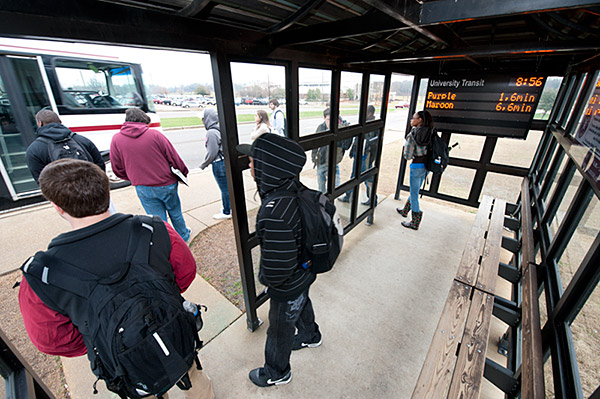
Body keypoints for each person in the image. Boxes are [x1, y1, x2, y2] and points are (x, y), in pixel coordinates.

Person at [18, 159, 214, 399]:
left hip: (124, 364)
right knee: (194, 378)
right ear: (106, 192)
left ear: (58, 206)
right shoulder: (154, 229)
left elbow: (52, 340)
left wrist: (100, 335)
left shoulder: (42, 275)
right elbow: (186, 271)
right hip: (174, 334)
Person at [237, 134, 322, 388]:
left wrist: (269, 284)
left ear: (269, 167)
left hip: (289, 283)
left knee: (280, 328)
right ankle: (310, 334)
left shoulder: (275, 211)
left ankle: (277, 371)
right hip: (306, 271)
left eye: (253, 160)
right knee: (301, 300)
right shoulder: (296, 189)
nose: (249, 165)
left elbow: (278, 269)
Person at [110, 108, 192, 242]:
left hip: (142, 186)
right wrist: (183, 173)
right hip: (166, 183)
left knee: (157, 219)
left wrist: (132, 178)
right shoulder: (155, 135)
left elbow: (116, 167)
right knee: (175, 212)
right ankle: (183, 236)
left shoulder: (117, 139)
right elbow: (173, 157)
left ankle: (166, 243)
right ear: (144, 121)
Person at [25, 109, 104, 182]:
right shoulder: (82, 140)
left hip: (63, 195)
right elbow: (100, 165)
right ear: (60, 121)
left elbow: (41, 180)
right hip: (92, 191)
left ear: (40, 123)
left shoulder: (34, 150)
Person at [396, 110, 434, 230]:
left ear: (420, 120)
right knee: (415, 190)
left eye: (414, 118)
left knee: (414, 194)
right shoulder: (430, 132)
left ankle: (415, 220)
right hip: (427, 166)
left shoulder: (412, 135)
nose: (411, 120)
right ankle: (405, 210)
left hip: (416, 166)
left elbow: (407, 156)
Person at [339, 105, 378, 205]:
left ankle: (371, 199)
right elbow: (358, 140)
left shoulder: (370, 125)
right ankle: (370, 198)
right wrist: (353, 151)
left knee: (364, 177)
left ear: (369, 113)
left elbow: (367, 141)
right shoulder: (367, 123)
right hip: (361, 154)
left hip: (364, 155)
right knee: (358, 176)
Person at [199, 108, 231, 220]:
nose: (202, 121)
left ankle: (227, 211)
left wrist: (203, 164)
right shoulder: (219, 129)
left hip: (218, 164)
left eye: (203, 118)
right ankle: (229, 208)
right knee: (227, 188)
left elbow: (212, 152)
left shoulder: (211, 133)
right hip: (223, 162)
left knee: (224, 189)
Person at [311, 108, 341, 193]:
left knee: (335, 185)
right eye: (328, 119)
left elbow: (344, 145)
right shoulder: (320, 128)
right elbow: (315, 144)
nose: (330, 122)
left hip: (333, 161)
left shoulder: (338, 128)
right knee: (321, 185)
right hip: (321, 160)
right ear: (324, 118)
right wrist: (314, 157)